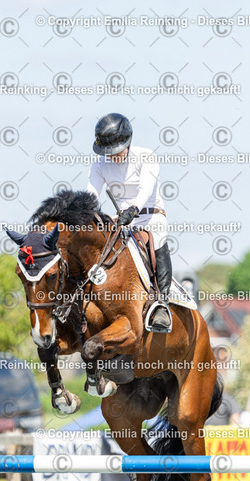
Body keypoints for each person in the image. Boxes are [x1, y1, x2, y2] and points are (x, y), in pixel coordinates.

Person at [87, 113, 172, 333]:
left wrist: (132, 210)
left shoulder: (146, 156)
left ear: (128, 141)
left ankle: (162, 303)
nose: (113, 156)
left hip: (150, 216)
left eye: (117, 150)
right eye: (108, 152)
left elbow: (145, 190)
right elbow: (91, 195)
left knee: (157, 239)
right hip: (120, 220)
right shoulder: (99, 165)